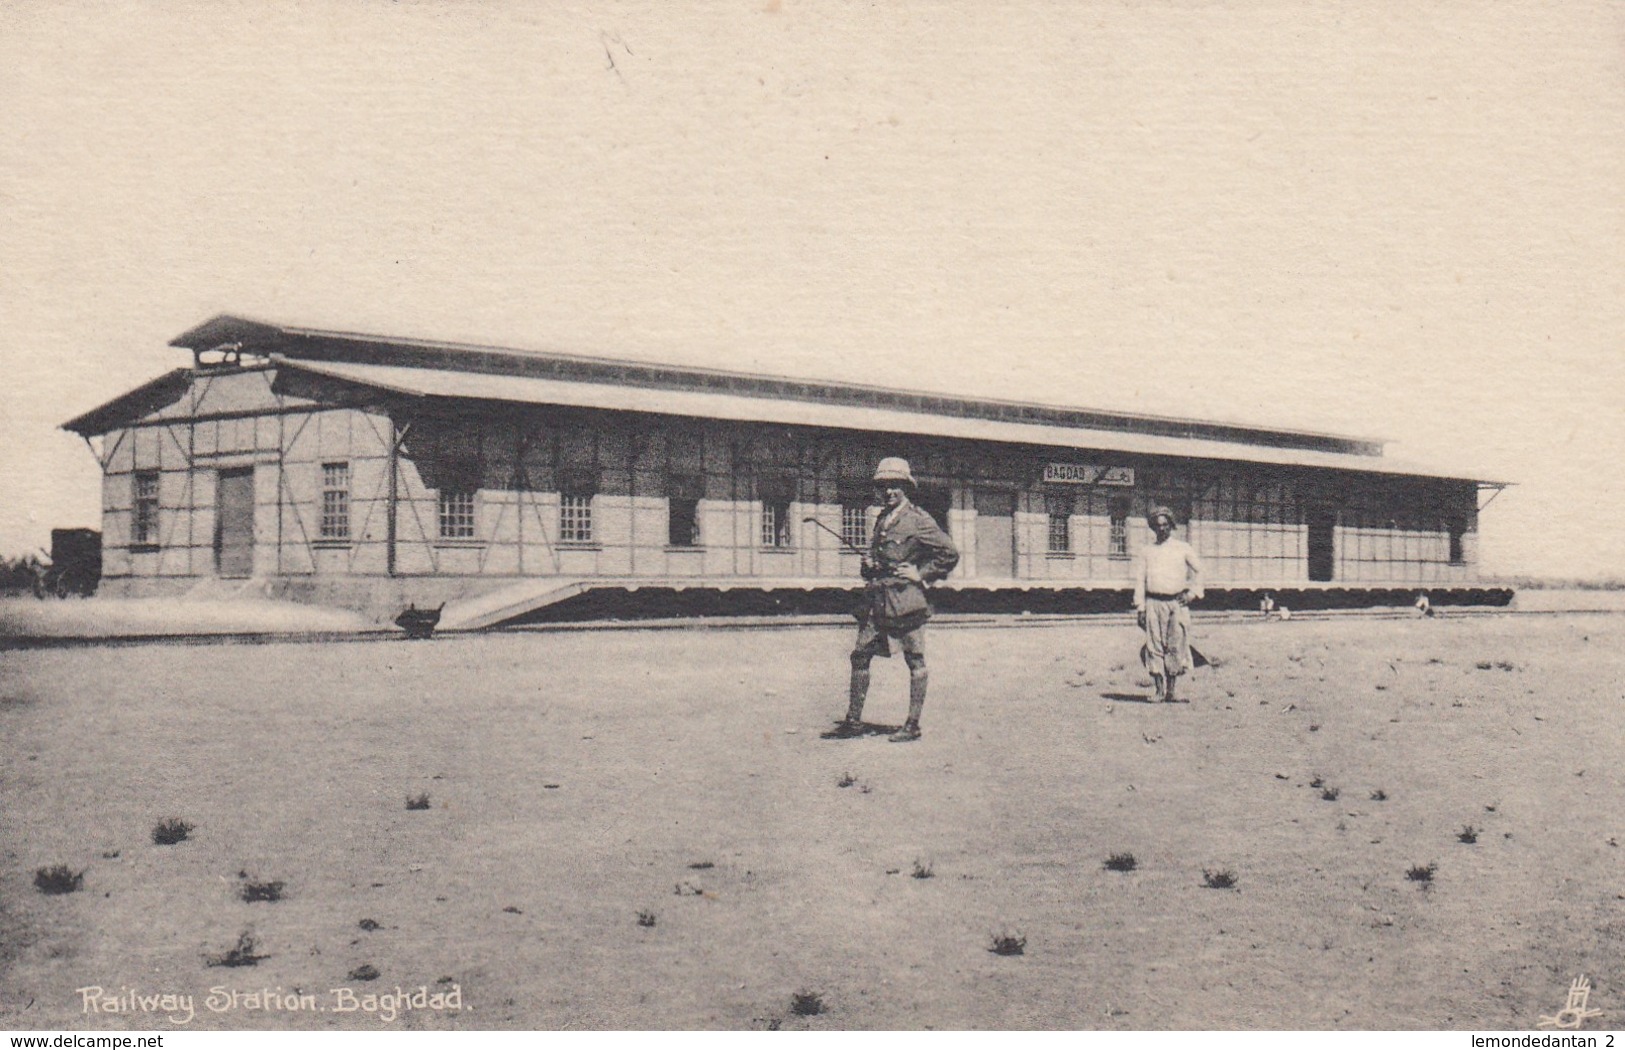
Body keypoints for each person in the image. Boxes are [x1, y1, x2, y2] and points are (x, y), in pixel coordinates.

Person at [827, 457, 959, 742]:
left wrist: (920, 573)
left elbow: (949, 553)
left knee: (914, 658)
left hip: (905, 600)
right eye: (884, 486)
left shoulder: (918, 519)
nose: (888, 492)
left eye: (895, 486)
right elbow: (876, 560)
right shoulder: (881, 519)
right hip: (876, 598)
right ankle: (853, 721)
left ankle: (912, 724)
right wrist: (869, 562)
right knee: (860, 655)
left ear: (906, 488)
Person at [1133, 505, 1204, 702]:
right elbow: (1140, 580)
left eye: (1165, 525)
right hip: (1153, 603)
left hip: (1176, 603)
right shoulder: (1147, 551)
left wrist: (1192, 593)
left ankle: (1172, 692)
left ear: (1171, 526)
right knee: (1154, 646)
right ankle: (1158, 690)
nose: (1161, 529)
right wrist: (1140, 607)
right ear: (1153, 528)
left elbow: (1200, 570)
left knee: (1175, 646)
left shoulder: (1182, 548)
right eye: (1157, 526)